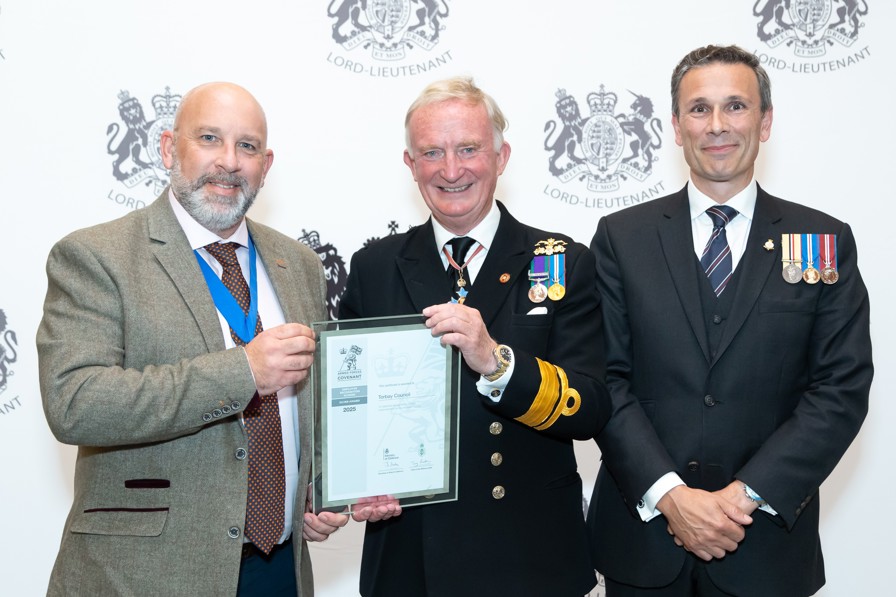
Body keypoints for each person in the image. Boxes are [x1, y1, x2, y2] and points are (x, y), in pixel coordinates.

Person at [38, 82, 347, 596]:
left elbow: (307, 408)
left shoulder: (299, 265)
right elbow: (74, 402)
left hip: (279, 569)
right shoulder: (96, 256)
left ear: (266, 165)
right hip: (145, 576)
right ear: (167, 148)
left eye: (247, 146)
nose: (229, 161)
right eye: (209, 138)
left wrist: (316, 489)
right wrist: (243, 371)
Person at [586, 45, 873, 596]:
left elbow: (840, 389)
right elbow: (605, 381)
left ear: (765, 122)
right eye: (699, 109)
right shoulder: (622, 239)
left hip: (765, 550)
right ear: (676, 127)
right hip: (644, 549)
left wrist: (741, 498)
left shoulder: (823, 241)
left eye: (736, 106)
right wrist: (671, 496)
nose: (717, 125)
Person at [338, 76, 610, 596]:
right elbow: (350, 406)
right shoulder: (375, 267)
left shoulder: (560, 261)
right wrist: (354, 481)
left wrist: (497, 362)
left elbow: (590, 409)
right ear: (410, 164)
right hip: (411, 558)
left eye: (468, 149)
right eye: (432, 153)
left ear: (501, 156)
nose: (451, 170)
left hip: (528, 556)